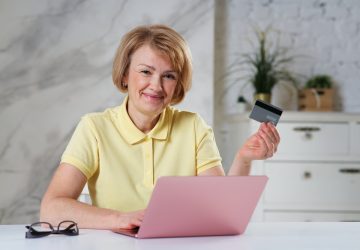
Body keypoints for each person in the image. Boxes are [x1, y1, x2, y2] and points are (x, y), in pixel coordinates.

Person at [40, 24, 280, 230]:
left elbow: (223, 211)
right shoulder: (93, 128)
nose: (155, 86)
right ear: (124, 75)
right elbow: (51, 209)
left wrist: (244, 159)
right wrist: (121, 219)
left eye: (169, 76)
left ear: (178, 84)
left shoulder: (193, 126)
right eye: (146, 71)